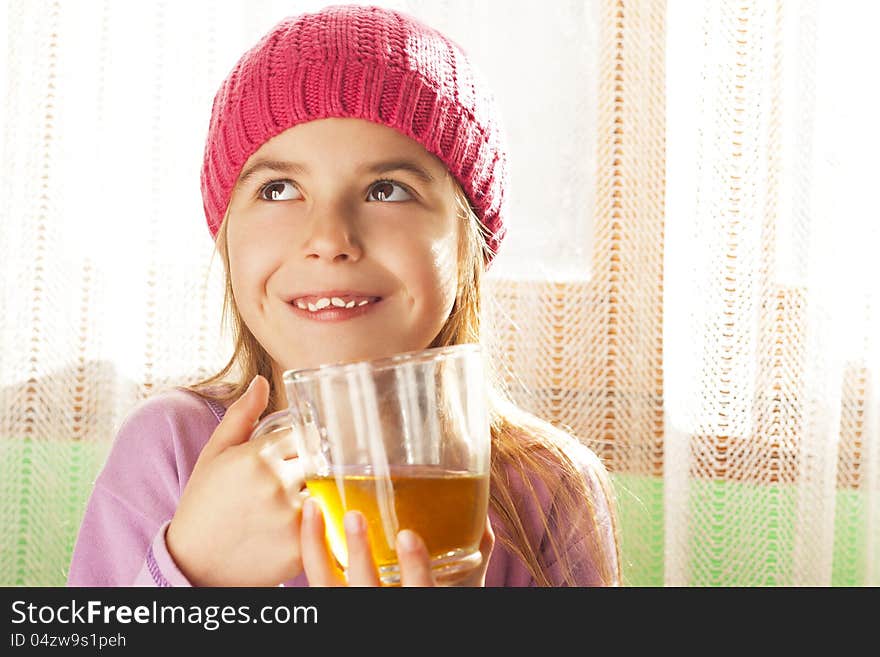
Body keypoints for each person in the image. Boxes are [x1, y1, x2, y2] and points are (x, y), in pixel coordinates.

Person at [67, 3, 621, 587]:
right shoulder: (168, 451)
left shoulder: (548, 491)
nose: (329, 238)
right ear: (227, 236)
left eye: (387, 190)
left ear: (469, 242)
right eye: (279, 189)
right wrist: (195, 571)